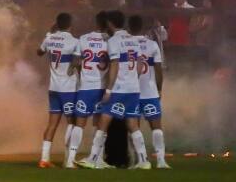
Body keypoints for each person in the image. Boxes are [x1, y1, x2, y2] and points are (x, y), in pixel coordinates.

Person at [79, 10, 151, 170]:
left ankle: (93, 158)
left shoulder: (114, 41)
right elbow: (140, 63)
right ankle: (144, 160)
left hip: (118, 89)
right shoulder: (133, 40)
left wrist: (109, 90)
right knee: (133, 124)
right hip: (133, 88)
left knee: (103, 122)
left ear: (110, 23)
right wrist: (134, 79)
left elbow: (115, 65)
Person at [65, 12, 109, 168]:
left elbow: (75, 61)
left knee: (79, 124)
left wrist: (77, 69)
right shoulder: (109, 42)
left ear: (95, 23)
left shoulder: (83, 39)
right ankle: (97, 158)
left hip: (85, 88)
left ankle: (70, 159)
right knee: (99, 124)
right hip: (102, 88)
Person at [37, 13, 79, 168]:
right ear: (70, 24)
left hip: (53, 88)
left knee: (52, 124)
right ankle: (68, 160)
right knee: (71, 122)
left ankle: (44, 158)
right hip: (68, 89)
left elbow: (39, 52)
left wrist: (50, 33)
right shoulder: (75, 42)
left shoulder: (49, 39)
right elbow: (76, 62)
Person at [129, 15, 170, 169]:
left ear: (129, 28)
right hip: (150, 92)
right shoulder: (152, 45)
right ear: (144, 28)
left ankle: (140, 160)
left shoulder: (127, 44)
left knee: (133, 126)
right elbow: (159, 70)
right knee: (156, 126)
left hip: (132, 92)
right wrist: (159, 89)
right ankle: (161, 161)